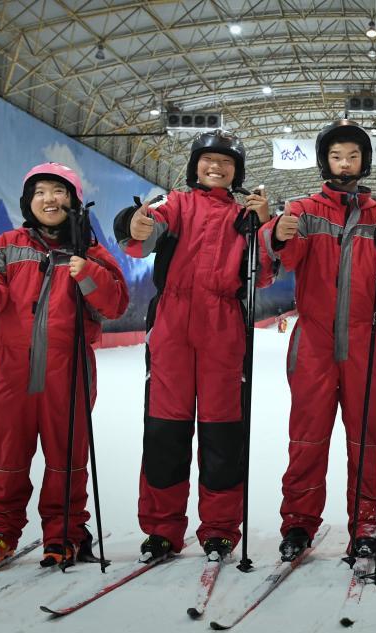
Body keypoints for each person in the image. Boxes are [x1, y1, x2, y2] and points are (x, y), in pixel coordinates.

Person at [113, 129, 272, 559]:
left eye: (226, 162)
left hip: (223, 325)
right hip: (172, 325)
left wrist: (264, 225)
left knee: (223, 430)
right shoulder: (176, 203)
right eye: (208, 160)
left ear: (237, 172)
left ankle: (219, 527)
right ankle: (162, 528)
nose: (216, 167)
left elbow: (267, 270)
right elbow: (141, 233)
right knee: (166, 428)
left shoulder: (245, 215)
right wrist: (135, 224)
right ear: (195, 166)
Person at [0, 162, 129, 568]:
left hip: (67, 372)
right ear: (28, 201)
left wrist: (87, 273)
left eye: (58, 191)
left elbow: (116, 302)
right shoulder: (7, 244)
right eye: (40, 192)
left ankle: (65, 533)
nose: (49, 199)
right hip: (8, 373)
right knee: (5, 458)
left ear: (72, 200)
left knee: (66, 458)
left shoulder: (89, 250)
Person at [264, 120, 376, 561]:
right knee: (307, 438)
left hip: (366, 339)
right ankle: (297, 522)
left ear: (363, 162)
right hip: (313, 338)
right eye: (336, 156)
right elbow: (284, 259)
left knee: (367, 437)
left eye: (352, 156)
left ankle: (369, 520)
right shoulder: (304, 209)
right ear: (324, 161)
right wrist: (277, 234)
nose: (344, 164)